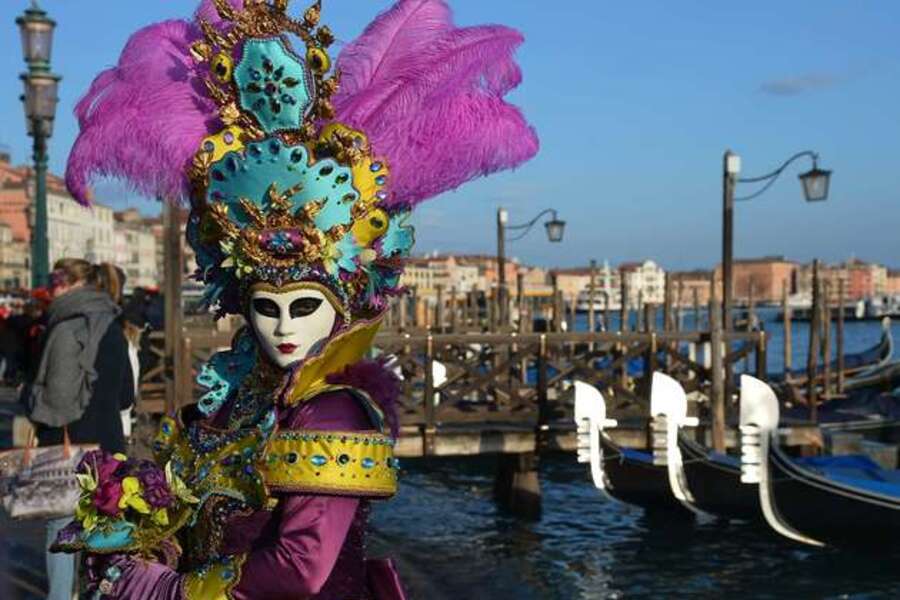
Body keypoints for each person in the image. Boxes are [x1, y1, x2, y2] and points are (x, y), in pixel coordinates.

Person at [59, 0, 536, 597]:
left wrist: (171, 593)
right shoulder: (248, 394)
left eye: (303, 305)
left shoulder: (335, 410)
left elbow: (300, 570)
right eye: (267, 306)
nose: (284, 326)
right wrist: (142, 530)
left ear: (341, 304)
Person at [26, 258, 135, 600]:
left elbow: (57, 403)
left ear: (73, 284)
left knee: (61, 528)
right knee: (102, 532)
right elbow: (125, 397)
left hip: (68, 447)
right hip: (109, 445)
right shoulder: (115, 328)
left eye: (56, 280)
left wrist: (28, 395)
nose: (51, 287)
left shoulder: (66, 327)